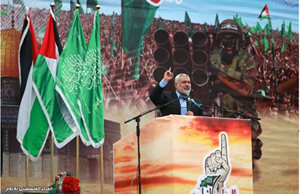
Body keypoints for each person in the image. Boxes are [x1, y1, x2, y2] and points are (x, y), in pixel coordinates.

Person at [209, 19, 263, 162]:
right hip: (215, 108)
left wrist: (220, 79)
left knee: (246, 138)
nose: (229, 43)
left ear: (239, 40)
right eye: (225, 38)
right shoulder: (212, 57)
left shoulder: (246, 60)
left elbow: (247, 89)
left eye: (233, 38)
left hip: (241, 110)